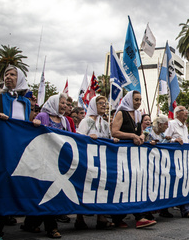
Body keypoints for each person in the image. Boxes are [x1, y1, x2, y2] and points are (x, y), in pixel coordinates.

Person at [0, 66, 43, 240]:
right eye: (6, 74)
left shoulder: (25, 102)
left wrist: (33, 123)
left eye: (12, 74)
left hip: (16, 153)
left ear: (19, 78)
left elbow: (23, 127)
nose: (8, 77)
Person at [24, 93, 70, 238]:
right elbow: (32, 134)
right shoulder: (43, 116)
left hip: (57, 161)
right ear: (54, 102)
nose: (64, 105)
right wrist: (35, 124)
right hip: (42, 160)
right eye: (62, 102)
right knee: (45, 192)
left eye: (65, 103)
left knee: (50, 194)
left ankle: (30, 223)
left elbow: (71, 137)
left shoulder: (64, 120)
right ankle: (52, 227)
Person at [111, 91, 157, 228]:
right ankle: (119, 218)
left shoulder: (137, 115)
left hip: (134, 156)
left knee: (134, 185)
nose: (138, 102)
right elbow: (114, 132)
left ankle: (138, 217)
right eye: (136, 99)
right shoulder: (121, 113)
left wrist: (142, 137)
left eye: (140, 100)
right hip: (122, 155)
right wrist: (132, 136)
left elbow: (140, 132)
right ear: (129, 100)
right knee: (124, 185)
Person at [75, 95, 118, 230]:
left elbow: (107, 138)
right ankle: (79, 218)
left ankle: (101, 216)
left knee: (101, 187)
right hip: (87, 159)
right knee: (83, 187)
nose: (103, 106)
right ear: (94, 104)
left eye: (105, 104)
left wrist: (113, 140)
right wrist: (88, 138)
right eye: (100, 103)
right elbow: (79, 138)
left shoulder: (105, 124)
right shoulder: (86, 121)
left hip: (101, 161)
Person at [165, 106, 189, 218]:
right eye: (184, 111)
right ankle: (184, 209)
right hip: (172, 159)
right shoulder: (172, 124)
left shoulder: (184, 127)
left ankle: (185, 209)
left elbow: (185, 141)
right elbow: (164, 138)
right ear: (177, 113)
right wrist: (174, 140)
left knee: (181, 183)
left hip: (184, 160)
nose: (187, 113)